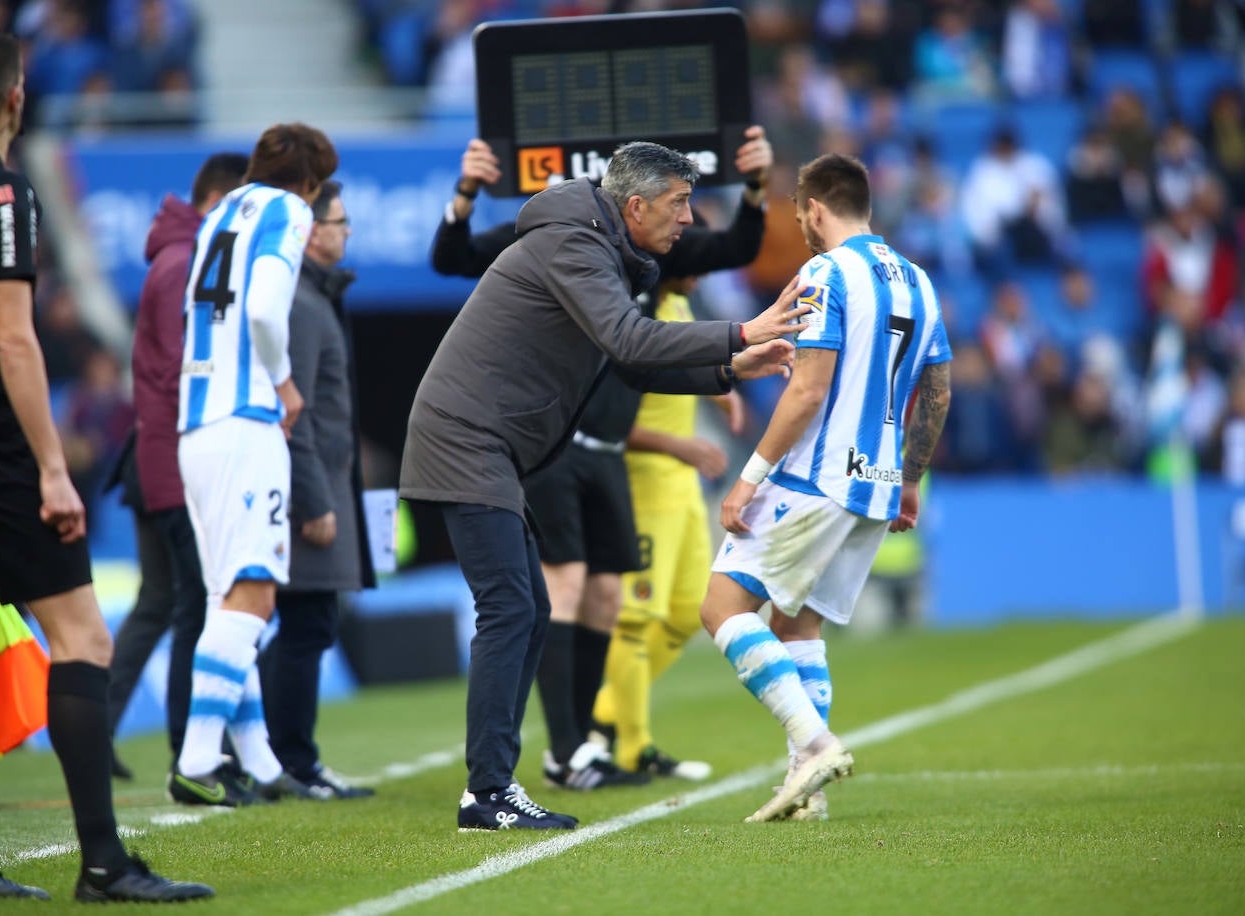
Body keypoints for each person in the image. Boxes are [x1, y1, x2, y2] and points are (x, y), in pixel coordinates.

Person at [401, 139, 809, 831]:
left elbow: (631, 366)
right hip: (467, 440)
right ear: (636, 205)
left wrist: (730, 368)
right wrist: (738, 332)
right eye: (680, 204)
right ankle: (488, 794)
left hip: (487, 444)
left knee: (526, 607)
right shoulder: (574, 243)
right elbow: (630, 341)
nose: (687, 220)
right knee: (511, 608)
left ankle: (502, 783)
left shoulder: (594, 245)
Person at [0, 31, 212, 901]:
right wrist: (51, 466)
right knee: (83, 637)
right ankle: (105, 864)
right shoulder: (4, 191)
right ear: (16, 98)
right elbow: (12, 336)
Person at [701, 153, 953, 823]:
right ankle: (805, 790)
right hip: (873, 487)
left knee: (722, 609)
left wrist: (746, 479)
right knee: (796, 621)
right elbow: (938, 389)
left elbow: (810, 387)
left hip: (815, 478)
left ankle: (813, 745)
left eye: (800, 216)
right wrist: (909, 478)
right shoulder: (920, 283)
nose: (803, 230)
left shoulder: (824, 272)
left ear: (816, 209)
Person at [166, 123, 338, 807]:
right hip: (245, 421)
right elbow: (266, 310)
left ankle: (262, 764)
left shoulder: (217, 217)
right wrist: (286, 382)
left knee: (226, 597)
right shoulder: (286, 209)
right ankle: (197, 760)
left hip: (197, 422)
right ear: (312, 183)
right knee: (256, 593)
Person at [106, 151, 249, 778]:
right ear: (220, 201)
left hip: (154, 460)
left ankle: (101, 733)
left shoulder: (176, 259)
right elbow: (176, 378)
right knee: (196, 606)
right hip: (170, 464)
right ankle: (192, 750)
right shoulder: (184, 266)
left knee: (161, 604)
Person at [590, 269, 740, 782]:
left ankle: (605, 711)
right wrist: (683, 445)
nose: (702, 272)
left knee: (685, 614)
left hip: (684, 488)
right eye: (695, 259)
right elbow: (603, 416)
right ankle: (633, 747)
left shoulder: (679, 303)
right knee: (636, 618)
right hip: (647, 482)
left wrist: (718, 388)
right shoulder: (637, 311)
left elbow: (680, 371)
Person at [258, 179, 377, 799]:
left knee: (307, 624)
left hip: (324, 482)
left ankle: (282, 758)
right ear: (309, 231)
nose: (346, 230)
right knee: (307, 624)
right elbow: (293, 410)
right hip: (313, 491)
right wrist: (314, 500)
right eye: (338, 220)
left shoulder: (313, 298)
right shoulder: (301, 306)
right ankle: (290, 762)